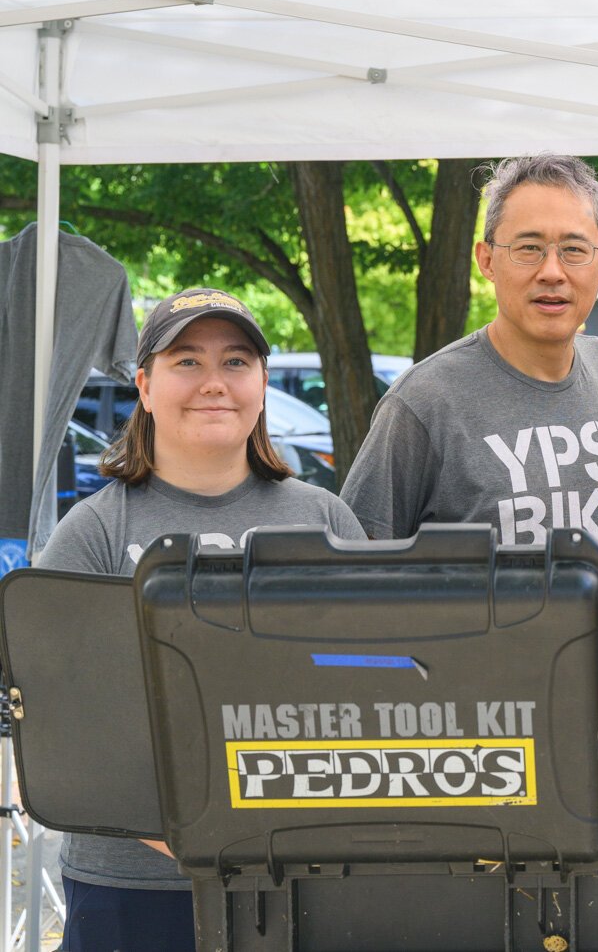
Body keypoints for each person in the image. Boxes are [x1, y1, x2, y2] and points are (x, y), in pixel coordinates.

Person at [36, 287, 365, 952]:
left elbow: (375, 692)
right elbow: (60, 723)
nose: (214, 382)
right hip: (131, 892)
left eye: (236, 361)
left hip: (298, 882)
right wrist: (192, 837)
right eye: (187, 361)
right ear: (145, 386)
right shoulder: (95, 533)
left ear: (263, 384)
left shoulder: (325, 522)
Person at [341, 154, 598, 565]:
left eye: (573, 249)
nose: (552, 271)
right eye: (529, 248)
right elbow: (354, 561)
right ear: (487, 260)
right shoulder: (424, 402)